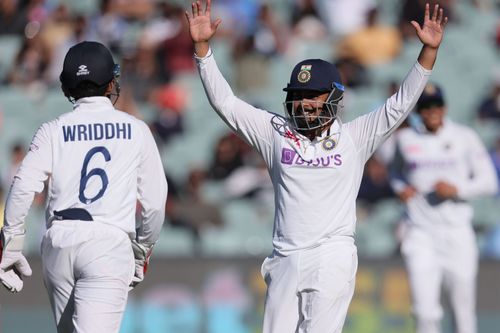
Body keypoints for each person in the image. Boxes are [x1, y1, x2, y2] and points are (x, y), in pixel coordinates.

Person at [185, 1, 447, 332]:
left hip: (332, 256)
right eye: (298, 94)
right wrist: (202, 49)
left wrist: (427, 53)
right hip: (285, 258)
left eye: (313, 94)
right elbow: (226, 103)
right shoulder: (275, 132)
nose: (305, 102)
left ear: (334, 97)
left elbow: (399, 106)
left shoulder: (354, 136)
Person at [0, 41, 167, 333]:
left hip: (58, 242)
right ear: (111, 82)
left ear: (66, 86)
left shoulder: (52, 129)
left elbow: (23, 185)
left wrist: (12, 242)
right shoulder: (137, 129)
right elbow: (154, 204)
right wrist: (142, 250)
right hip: (108, 244)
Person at [389, 83, 498, 333]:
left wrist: (457, 189)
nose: (432, 112)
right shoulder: (405, 139)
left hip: (457, 232)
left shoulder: (464, 137)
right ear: (418, 111)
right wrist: (399, 188)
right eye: (426, 107)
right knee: (425, 312)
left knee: (463, 311)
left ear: (445, 107)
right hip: (421, 233)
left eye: (436, 106)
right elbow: (395, 173)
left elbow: (489, 182)